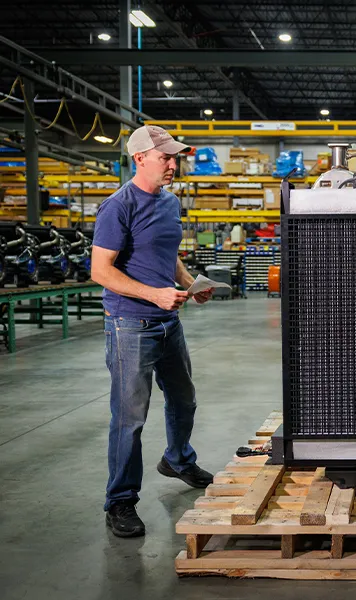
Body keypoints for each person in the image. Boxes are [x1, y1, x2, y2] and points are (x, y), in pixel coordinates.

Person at [92, 125, 215, 538]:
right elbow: (100, 271)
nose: (173, 165)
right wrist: (153, 295)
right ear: (140, 157)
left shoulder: (169, 202)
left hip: (168, 322)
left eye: (175, 158)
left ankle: (178, 459)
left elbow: (168, 251)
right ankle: (121, 500)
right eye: (165, 158)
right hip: (130, 325)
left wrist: (187, 283)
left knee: (184, 400)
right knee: (130, 418)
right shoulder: (118, 206)